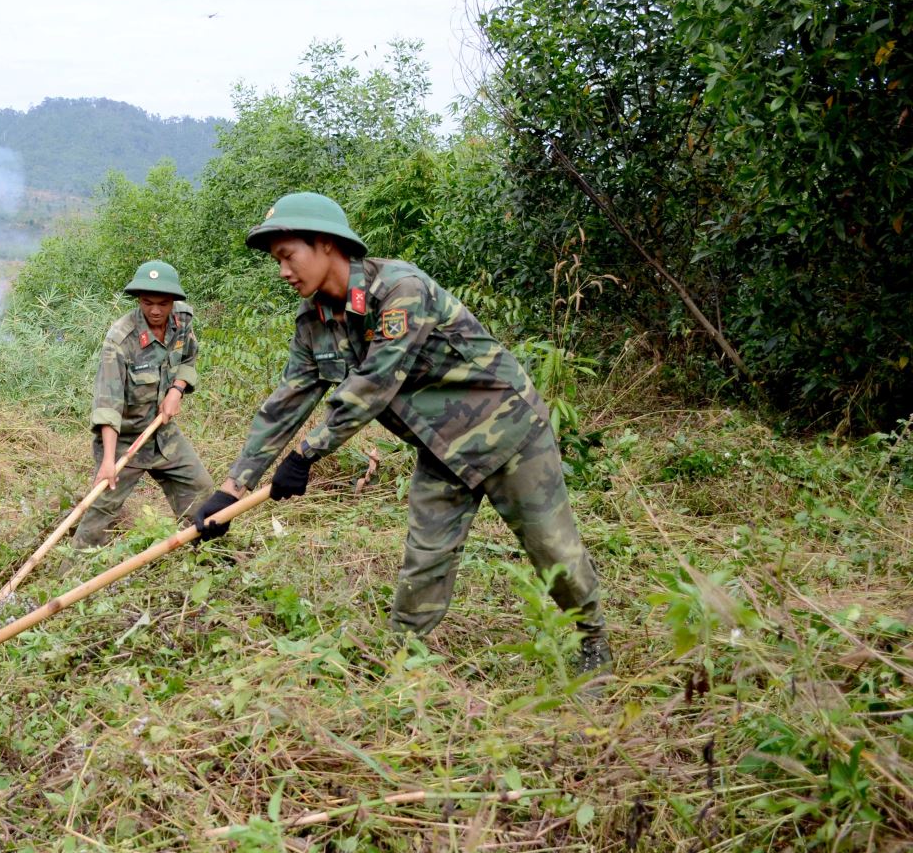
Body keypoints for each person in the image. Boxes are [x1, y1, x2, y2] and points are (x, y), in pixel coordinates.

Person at [190, 193, 612, 677]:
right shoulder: (313, 321)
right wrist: (230, 489)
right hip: (441, 448)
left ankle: (594, 643)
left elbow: (374, 385)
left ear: (326, 244)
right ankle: (405, 663)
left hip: (508, 433)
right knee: (424, 558)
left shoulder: (399, 290)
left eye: (288, 256)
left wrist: (307, 455)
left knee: (552, 549)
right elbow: (286, 401)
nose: (283, 271)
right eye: (277, 261)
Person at [73, 261, 214, 548]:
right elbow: (107, 404)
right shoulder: (120, 339)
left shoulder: (183, 320)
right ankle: (71, 581)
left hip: (162, 434)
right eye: (147, 302)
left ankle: (210, 560)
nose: (155, 310)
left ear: (173, 301)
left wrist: (177, 388)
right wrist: (109, 461)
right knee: (101, 511)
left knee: (201, 490)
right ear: (138, 299)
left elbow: (188, 358)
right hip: (124, 439)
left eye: (163, 303)